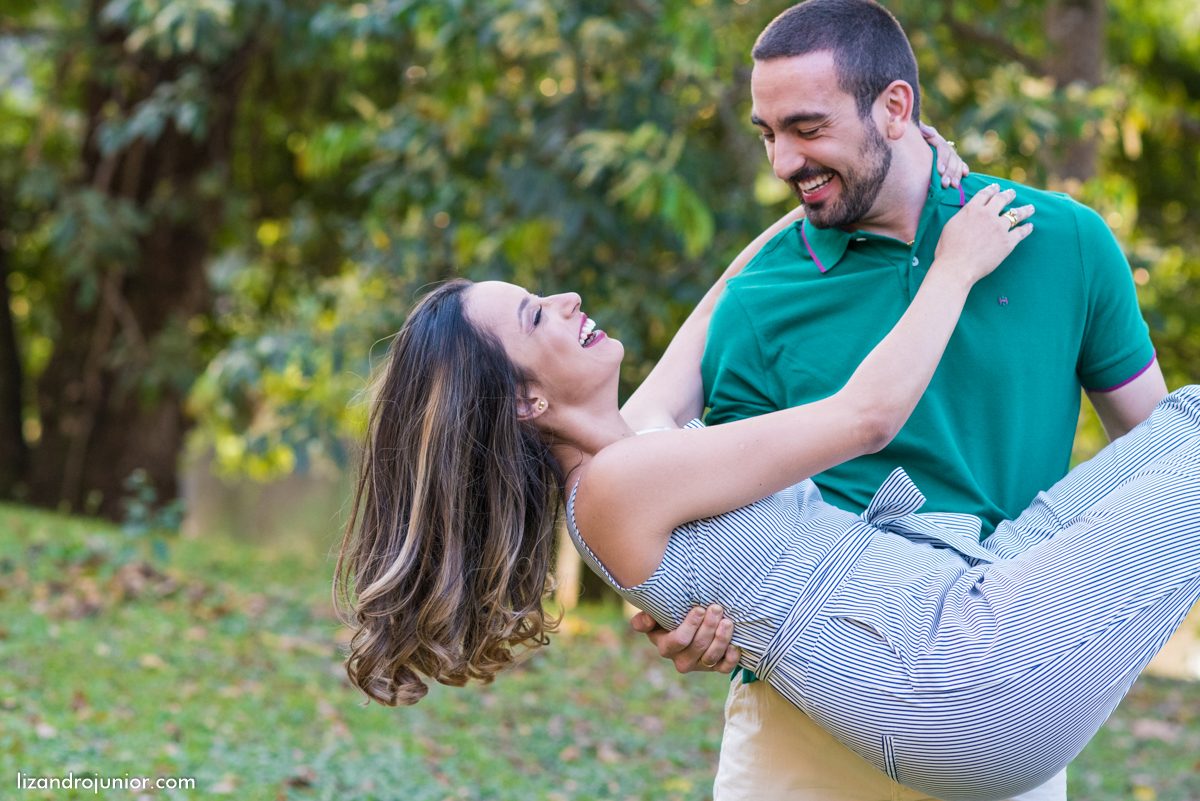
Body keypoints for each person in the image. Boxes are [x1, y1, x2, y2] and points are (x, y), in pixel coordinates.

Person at [333, 184, 1200, 801]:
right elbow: (865, 417)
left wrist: (839, 182)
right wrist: (955, 265)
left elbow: (719, 304)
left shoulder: (634, 445)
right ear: (526, 399)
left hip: (960, 602)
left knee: (1186, 425)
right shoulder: (621, 483)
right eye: (533, 316)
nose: (565, 299)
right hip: (958, 677)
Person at [627, 2, 1168, 798]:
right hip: (803, 734)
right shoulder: (761, 297)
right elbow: (720, 505)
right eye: (767, 133)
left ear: (895, 107)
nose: (782, 161)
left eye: (806, 128)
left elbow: (1158, 460)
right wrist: (691, 615)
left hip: (998, 711)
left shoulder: (1065, 242)